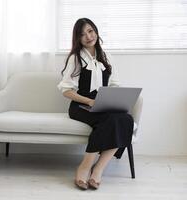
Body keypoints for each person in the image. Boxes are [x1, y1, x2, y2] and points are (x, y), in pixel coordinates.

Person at [57, 18, 134, 190]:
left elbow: (114, 84)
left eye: (90, 31)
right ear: (77, 38)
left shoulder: (106, 57)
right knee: (110, 121)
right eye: (82, 34)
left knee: (126, 119)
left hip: (103, 105)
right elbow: (66, 90)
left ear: (96, 32)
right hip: (80, 106)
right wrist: (90, 101)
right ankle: (84, 167)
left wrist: (116, 100)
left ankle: (98, 169)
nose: (88, 36)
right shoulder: (76, 59)